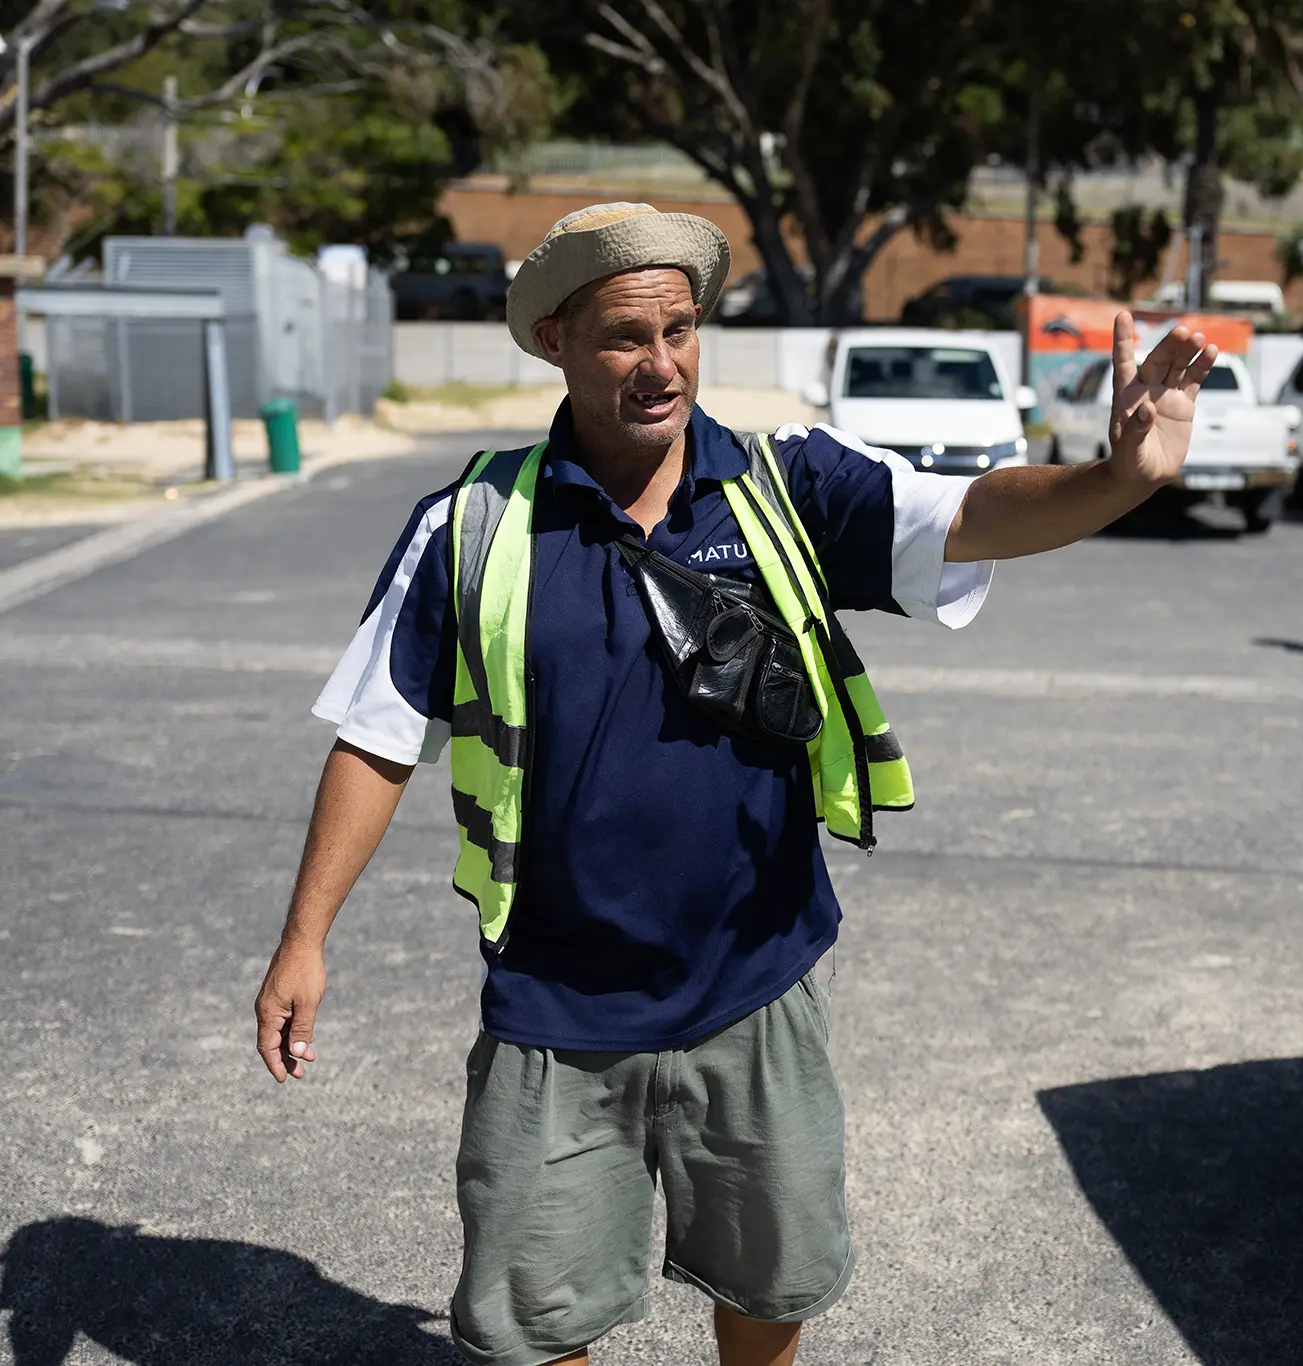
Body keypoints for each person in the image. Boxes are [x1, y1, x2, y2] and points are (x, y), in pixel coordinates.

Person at [251, 202, 1218, 1366]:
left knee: (772, 1283)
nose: (659, 364)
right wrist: (305, 937)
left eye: (680, 328)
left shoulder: (786, 484)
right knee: (540, 1314)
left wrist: (1119, 476)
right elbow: (375, 735)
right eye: (622, 336)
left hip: (754, 981)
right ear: (555, 340)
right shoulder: (470, 523)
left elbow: (966, 516)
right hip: (556, 1004)